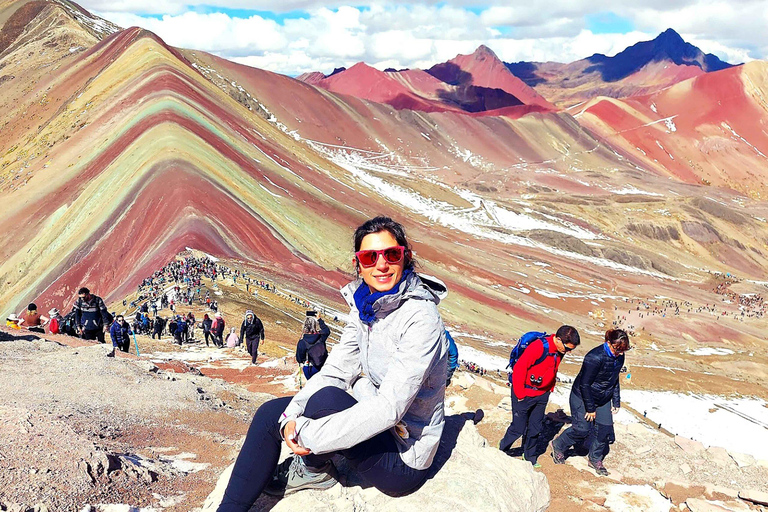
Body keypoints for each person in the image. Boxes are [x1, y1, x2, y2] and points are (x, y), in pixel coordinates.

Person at [217, 216, 448, 510]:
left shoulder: (421, 319)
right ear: (358, 264)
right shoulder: (366, 307)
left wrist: (306, 433)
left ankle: (313, 469)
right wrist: (291, 416)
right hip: (376, 423)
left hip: (404, 453)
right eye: (369, 257)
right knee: (269, 416)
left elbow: (390, 408)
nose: (381, 265)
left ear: (406, 257)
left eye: (391, 254)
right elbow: (337, 370)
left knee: (325, 400)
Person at [550, 329, 630, 476]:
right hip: (582, 396)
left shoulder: (619, 357)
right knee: (582, 429)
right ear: (609, 343)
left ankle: (595, 458)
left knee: (605, 431)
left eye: (622, 350)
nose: (619, 353)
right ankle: (559, 445)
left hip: (603, 397)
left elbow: (614, 379)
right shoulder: (594, 357)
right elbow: (585, 384)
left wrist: (616, 401)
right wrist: (590, 408)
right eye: (617, 349)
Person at [499, 326, 581, 467]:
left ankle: (529, 456)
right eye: (567, 348)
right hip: (524, 393)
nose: (568, 352)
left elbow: (552, 368)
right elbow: (520, 368)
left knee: (535, 427)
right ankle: (502, 449)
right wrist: (520, 394)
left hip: (542, 394)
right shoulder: (539, 347)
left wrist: (549, 388)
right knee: (518, 427)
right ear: (559, 339)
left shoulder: (559, 351)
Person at [295, 312, 330, 380]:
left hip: (311, 369)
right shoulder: (321, 336)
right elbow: (327, 330)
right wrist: (319, 319)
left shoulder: (302, 342)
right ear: (315, 326)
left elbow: (299, 359)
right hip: (324, 365)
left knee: (313, 385)